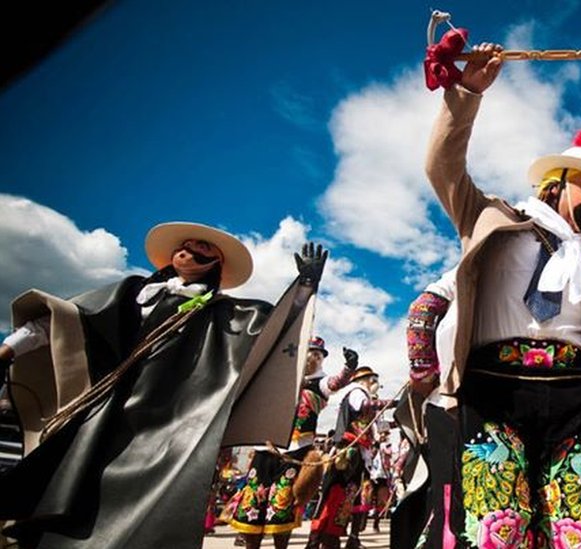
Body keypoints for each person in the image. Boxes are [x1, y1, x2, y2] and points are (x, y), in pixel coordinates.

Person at [419, 41, 581, 548]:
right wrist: (467, 93)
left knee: (579, 535)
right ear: (556, 184)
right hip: (494, 390)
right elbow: (443, 167)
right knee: (498, 530)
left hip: (575, 399)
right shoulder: (493, 219)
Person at [0, 222, 326, 548]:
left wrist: (305, 288)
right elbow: (61, 321)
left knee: (150, 507)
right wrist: (9, 349)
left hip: (168, 427)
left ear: (217, 264)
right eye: (187, 244)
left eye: (204, 248)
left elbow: (275, 336)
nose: (191, 249)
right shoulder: (130, 293)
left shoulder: (228, 314)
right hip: (105, 413)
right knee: (69, 491)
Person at [226, 338, 358, 549]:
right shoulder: (281, 378)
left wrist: (349, 368)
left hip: (295, 451)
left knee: (283, 506)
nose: (312, 357)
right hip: (265, 447)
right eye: (309, 352)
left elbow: (336, 383)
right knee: (253, 504)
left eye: (317, 354)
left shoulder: (320, 382)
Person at [306, 365, 390, 549]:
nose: (375, 383)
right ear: (363, 381)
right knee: (335, 494)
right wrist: (390, 403)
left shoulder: (364, 394)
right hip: (347, 451)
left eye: (375, 379)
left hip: (359, 453)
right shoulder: (357, 391)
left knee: (348, 496)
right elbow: (362, 406)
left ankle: (332, 538)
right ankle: (317, 540)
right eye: (372, 380)